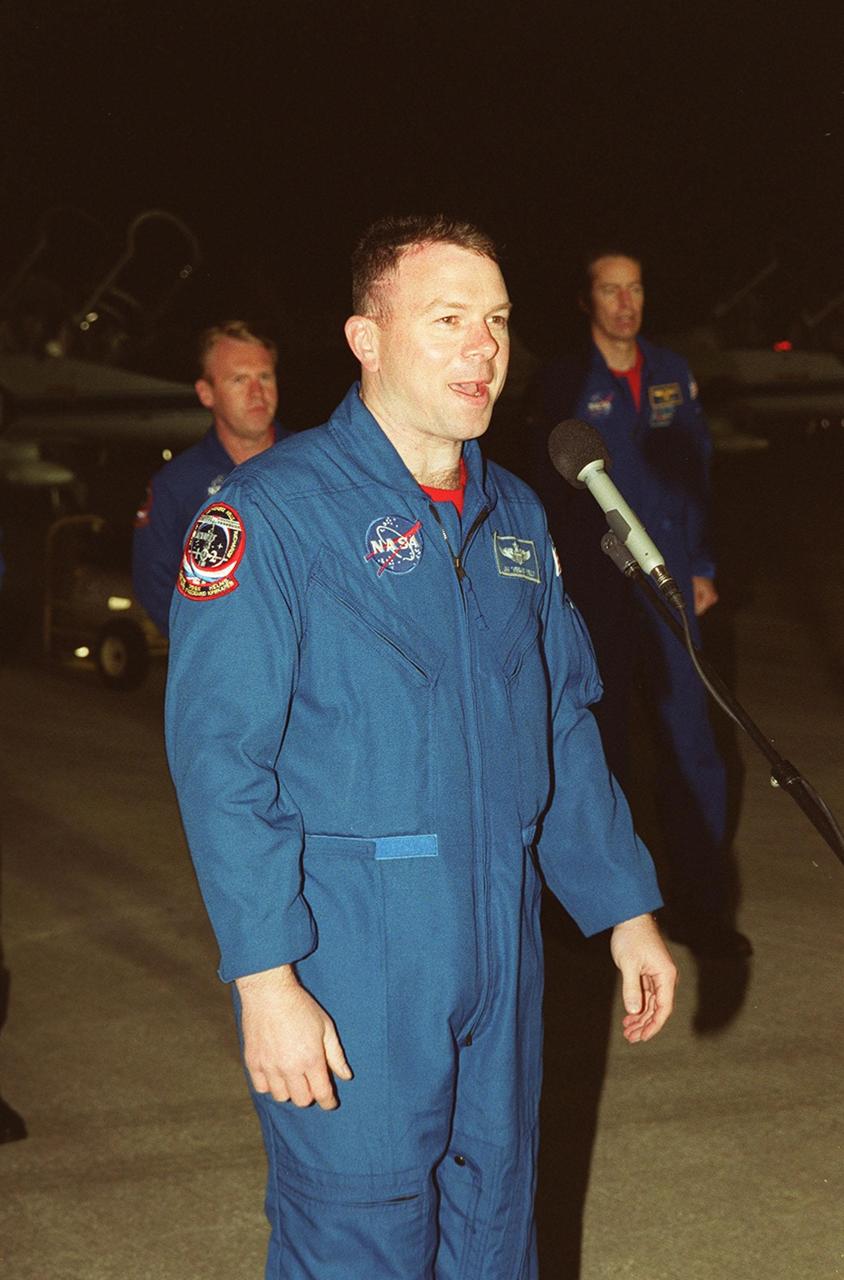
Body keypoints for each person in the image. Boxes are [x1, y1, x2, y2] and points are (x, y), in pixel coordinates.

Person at [165, 216, 676, 1280]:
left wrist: (623, 905)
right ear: (366, 337)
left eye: (493, 322)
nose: (481, 348)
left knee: (495, 1229)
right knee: (358, 1237)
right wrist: (267, 977)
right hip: (352, 952)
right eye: (446, 320)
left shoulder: (516, 520)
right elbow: (221, 756)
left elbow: (559, 720)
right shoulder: (273, 512)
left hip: (497, 942)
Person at [530, 249, 749, 956]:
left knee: (694, 741)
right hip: (597, 589)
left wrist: (704, 564)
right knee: (600, 741)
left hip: (672, 581)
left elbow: (700, 473)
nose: (625, 302)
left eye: (635, 289)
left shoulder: (671, 374)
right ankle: (598, 908)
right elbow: (545, 489)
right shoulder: (564, 381)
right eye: (609, 290)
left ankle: (701, 906)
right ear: (587, 299)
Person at [132, 320, 290, 635]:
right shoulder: (176, 484)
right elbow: (154, 582)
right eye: (239, 379)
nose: (257, 393)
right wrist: (212, 646)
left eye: (265, 377)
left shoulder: (314, 466)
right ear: (206, 393)